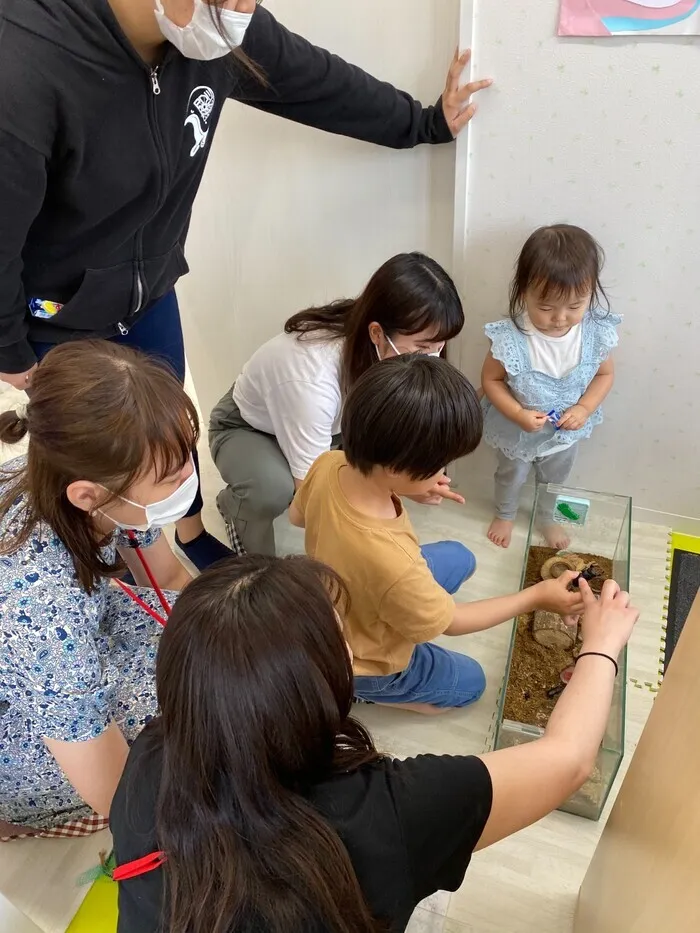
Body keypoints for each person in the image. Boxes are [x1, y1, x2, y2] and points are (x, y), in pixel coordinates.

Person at [0, 0, 491, 570]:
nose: (243, 9)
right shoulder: (25, 61)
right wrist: (9, 346)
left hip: (149, 288)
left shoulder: (213, 26)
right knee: (99, 466)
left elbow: (322, 84)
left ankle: (186, 529)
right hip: (56, 313)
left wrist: (426, 122)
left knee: (173, 427)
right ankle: (105, 567)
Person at [110, 554, 639, 933]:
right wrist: (603, 645)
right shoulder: (391, 813)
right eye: (339, 638)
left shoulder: (150, 755)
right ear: (317, 683)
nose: (352, 647)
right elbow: (567, 760)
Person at [288, 355, 585, 712]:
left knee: (461, 557)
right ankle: (363, 689)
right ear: (398, 469)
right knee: (471, 684)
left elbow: (297, 517)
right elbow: (453, 623)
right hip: (369, 657)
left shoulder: (328, 462)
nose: (443, 472)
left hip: (340, 600)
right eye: (437, 466)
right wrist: (535, 597)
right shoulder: (395, 564)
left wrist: (410, 489)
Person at [0, 341, 200, 838]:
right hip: (22, 728)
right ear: (87, 494)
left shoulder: (101, 490)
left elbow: (171, 578)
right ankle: (16, 817)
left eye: (186, 463)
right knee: (184, 709)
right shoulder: (39, 603)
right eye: (171, 478)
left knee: (201, 645)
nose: (189, 482)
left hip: (62, 653)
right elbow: (113, 788)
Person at [210, 252, 467, 556]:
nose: (432, 358)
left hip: (325, 425)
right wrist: (404, 486)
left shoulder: (371, 345)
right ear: (377, 332)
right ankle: (237, 509)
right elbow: (310, 503)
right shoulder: (312, 379)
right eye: (423, 348)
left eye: (439, 347)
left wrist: (410, 477)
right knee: (273, 491)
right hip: (247, 427)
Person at [481, 224, 620, 550]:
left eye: (574, 306)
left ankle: (546, 517)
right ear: (523, 291)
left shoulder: (594, 333)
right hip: (518, 428)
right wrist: (517, 413)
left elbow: (605, 375)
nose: (560, 318)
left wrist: (584, 408)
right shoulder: (511, 338)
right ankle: (505, 512)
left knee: (555, 481)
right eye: (546, 307)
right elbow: (490, 380)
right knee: (510, 475)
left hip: (565, 432)